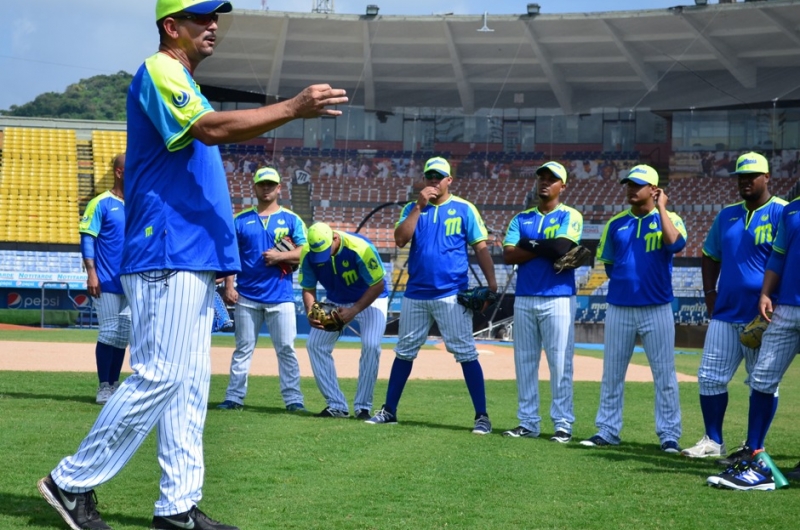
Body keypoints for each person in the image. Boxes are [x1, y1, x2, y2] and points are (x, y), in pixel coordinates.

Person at [37, 1, 347, 529]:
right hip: (166, 250)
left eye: (215, 17)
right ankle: (71, 481)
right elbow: (210, 130)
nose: (213, 25)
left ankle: (177, 507)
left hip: (191, 256)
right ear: (171, 26)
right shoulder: (160, 69)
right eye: (201, 17)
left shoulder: (185, 81)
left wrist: (221, 262)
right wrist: (293, 107)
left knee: (188, 387)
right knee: (161, 375)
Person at [365, 156, 498, 434]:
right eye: (430, 176)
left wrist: (493, 285)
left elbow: (481, 247)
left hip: (452, 293)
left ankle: (482, 417)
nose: (434, 181)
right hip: (416, 293)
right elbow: (400, 239)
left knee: (466, 353)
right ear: (424, 179)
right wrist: (418, 206)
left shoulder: (464, 208)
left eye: (439, 176)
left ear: (450, 180)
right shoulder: (413, 208)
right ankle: (389, 411)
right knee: (404, 352)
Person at [682, 153, 785, 459]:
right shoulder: (726, 215)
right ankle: (713, 441)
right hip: (725, 312)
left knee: (763, 382)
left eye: (751, 176)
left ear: (767, 177)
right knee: (710, 377)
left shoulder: (782, 212)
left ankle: (754, 446)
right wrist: (709, 293)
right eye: (741, 176)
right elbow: (709, 254)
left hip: (764, 316)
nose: (745, 181)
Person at [580, 164, 686, 454]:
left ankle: (669, 435)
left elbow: (675, 245)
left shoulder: (671, 219)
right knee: (612, 374)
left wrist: (662, 208)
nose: (630, 189)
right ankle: (607, 430)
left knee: (664, 375)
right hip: (619, 307)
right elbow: (609, 263)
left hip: (657, 307)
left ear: (654, 190)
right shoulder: (616, 223)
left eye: (637, 185)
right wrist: (626, 287)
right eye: (629, 184)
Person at [708, 182, 800, 490]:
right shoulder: (792, 210)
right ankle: (754, 456)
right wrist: (765, 293)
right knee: (762, 379)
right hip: (785, 308)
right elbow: (778, 256)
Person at [501, 161, 583, 442]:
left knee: (560, 363)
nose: (545, 182)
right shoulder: (521, 218)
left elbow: (562, 247)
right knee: (524, 362)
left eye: (552, 179)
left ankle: (563, 424)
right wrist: (546, 247)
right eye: (542, 178)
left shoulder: (570, 215)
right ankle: (528, 423)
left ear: (563, 186)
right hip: (525, 296)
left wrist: (529, 243)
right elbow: (509, 255)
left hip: (558, 296)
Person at [217, 167, 307, 412]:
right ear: (254, 187)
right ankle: (234, 397)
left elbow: (304, 251)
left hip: (281, 296)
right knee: (243, 349)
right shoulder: (240, 220)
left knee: (286, 350)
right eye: (262, 184)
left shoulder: (292, 219)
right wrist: (229, 285)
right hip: (247, 296)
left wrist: (281, 256)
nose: (266, 188)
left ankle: (294, 400)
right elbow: (231, 255)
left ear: (279, 188)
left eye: (271, 184)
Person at [299, 222, 389, 420]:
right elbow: (308, 286)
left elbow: (378, 284)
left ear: (335, 238)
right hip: (336, 300)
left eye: (324, 250)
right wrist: (311, 311)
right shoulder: (308, 252)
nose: (321, 256)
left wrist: (354, 310)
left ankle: (363, 407)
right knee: (315, 345)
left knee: (371, 345)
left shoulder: (360, 247)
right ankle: (337, 405)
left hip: (370, 298)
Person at [79, 153, 130, 405]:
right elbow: (88, 237)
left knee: (123, 335)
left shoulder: (139, 204)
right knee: (109, 331)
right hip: (106, 280)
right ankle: (103, 386)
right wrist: (91, 273)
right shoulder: (100, 203)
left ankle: (114, 383)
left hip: (132, 282)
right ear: (119, 172)